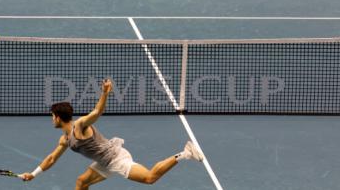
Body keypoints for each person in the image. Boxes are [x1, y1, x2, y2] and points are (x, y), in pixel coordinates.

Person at [19, 79, 204, 189]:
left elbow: (96, 112)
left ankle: (185, 153)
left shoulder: (80, 126)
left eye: (53, 116)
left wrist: (105, 93)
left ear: (59, 117)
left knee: (149, 178)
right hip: (103, 162)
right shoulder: (66, 138)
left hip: (116, 159)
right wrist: (33, 174)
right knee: (82, 182)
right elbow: (51, 159)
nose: (52, 120)